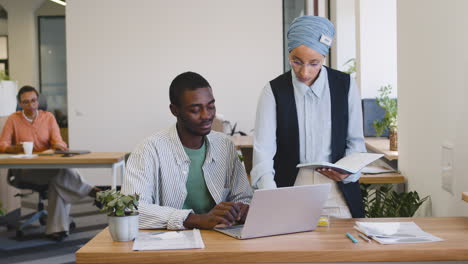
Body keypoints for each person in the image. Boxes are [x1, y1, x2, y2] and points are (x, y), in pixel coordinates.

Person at [251, 16, 366, 218]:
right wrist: (271, 196)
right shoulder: (273, 91)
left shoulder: (345, 86)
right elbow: (264, 151)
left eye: (314, 63)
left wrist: (349, 172)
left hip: (336, 192)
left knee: (343, 247)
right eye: (296, 62)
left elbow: (355, 143)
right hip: (289, 189)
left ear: (324, 57)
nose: (305, 72)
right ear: (289, 54)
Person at [122, 71, 253, 230]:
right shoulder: (148, 150)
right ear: (174, 110)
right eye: (195, 110)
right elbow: (131, 208)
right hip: (168, 244)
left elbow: (244, 196)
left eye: (210, 106)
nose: (207, 115)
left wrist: (242, 209)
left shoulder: (225, 145)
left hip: (220, 237)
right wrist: (195, 219)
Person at [0, 85, 101, 241]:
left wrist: (59, 146)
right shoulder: (13, 119)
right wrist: (14, 149)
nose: (31, 105)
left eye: (33, 101)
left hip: (48, 167)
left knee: (58, 177)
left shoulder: (48, 117)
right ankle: (91, 191)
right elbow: (2, 145)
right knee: (62, 172)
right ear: (20, 103)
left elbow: (57, 141)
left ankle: (57, 229)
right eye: (26, 102)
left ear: (38, 100)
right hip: (24, 170)